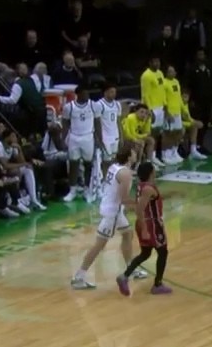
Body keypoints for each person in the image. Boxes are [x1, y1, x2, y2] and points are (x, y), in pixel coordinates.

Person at [71, 145, 148, 289]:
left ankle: (130, 269)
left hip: (112, 208)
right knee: (99, 245)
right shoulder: (125, 174)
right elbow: (123, 198)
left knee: (127, 234)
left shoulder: (114, 167)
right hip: (112, 212)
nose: (136, 153)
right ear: (129, 156)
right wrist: (140, 203)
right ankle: (79, 276)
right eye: (133, 152)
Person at [117, 161, 171, 296]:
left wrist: (171, 195)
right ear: (151, 172)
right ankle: (157, 285)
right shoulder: (148, 189)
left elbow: (150, 201)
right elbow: (140, 209)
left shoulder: (143, 186)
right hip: (152, 225)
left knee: (145, 253)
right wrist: (145, 229)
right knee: (163, 252)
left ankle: (124, 277)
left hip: (147, 223)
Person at [61, 90, 100, 202]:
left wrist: (99, 139)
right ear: (79, 94)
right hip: (74, 137)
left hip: (88, 137)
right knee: (73, 164)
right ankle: (72, 191)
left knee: (88, 164)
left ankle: (87, 190)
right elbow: (65, 123)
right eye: (85, 93)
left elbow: (97, 122)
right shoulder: (69, 107)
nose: (87, 95)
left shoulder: (93, 105)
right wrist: (63, 139)